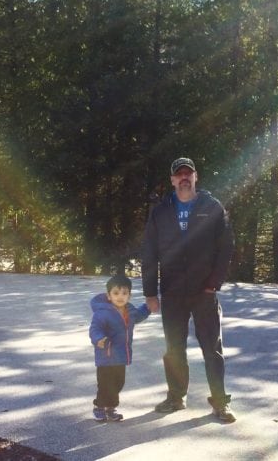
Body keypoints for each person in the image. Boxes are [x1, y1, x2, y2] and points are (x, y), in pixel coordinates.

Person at [141, 157, 236, 423]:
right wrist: (150, 292)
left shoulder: (212, 207)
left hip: (203, 291)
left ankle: (220, 401)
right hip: (172, 291)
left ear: (196, 177)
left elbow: (226, 246)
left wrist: (213, 284)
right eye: (178, 174)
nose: (184, 178)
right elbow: (149, 252)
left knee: (212, 348)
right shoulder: (160, 211)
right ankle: (176, 397)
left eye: (188, 173)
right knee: (174, 348)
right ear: (172, 180)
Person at [89, 274, 150, 422]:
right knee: (105, 384)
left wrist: (148, 307)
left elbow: (139, 315)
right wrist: (99, 339)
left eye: (124, 293)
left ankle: (111, 408)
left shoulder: (130, 310)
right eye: (116, 293)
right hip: (106, 355)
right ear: (109, 296)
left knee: (118, 383)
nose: (120, 297)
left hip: (122, 356)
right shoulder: (102, 313)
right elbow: (94, 329)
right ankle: (99, 407)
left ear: (129, 295)